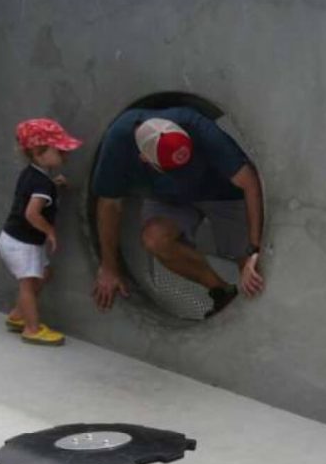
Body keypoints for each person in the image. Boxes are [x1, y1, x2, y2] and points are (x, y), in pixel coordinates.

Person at [89, 105, 266, 317]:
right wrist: (109, 267)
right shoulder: (118, 142)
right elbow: (109, 203)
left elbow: (249, 182)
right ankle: (221, 291)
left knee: (253, 270)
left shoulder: (198, 126)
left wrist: (253, 250)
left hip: (222, 194)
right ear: (145, 158)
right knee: (155, 239)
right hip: (169, 200)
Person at [0, 119, 81, 347]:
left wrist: (55, 186)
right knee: (27, 283)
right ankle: (32, 329)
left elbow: (35, 192)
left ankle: (17, 315)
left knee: (44, 273)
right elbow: (32, 214)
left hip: (19, 239)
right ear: (38, 152)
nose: (65, 153)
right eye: (59, 149)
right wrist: (50, 231)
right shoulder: (41, 184)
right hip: (22, 243)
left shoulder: (36, 176)